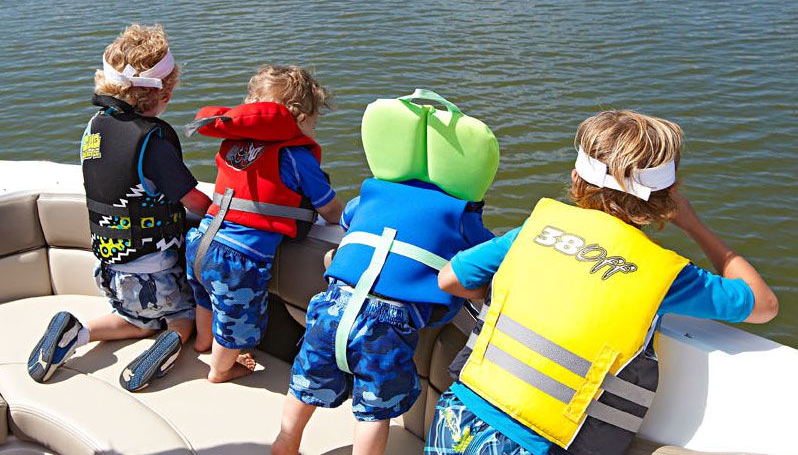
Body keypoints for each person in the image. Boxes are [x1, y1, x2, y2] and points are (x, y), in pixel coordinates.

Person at [428, 109, 779, 455]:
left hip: (458, 418)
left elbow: (450, 280)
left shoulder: (537, 229)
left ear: (576, 178)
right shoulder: (663, 273)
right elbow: (763, 305)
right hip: (543, 444)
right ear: (670, 193)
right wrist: (693, 225)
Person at [274, 89, 500, 455]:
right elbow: (484, 255)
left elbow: (348, 218)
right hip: (388, 323)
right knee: (373, 412)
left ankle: (286, 442)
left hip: (333, 303)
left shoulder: (373, 192)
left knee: (306, 383)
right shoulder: (461, 213)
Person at [28, 23, 212, 392]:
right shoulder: (152, 140)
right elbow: (195, 201)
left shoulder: (94, 126)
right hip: (152, 268)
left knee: (136, 319)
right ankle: (170, 341)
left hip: (109, 267)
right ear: (167, 89)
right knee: (181, 317)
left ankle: (78, 333)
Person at [185, 64, 344, 383]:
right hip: (237, 262)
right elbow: (330, 210)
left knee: (205, 297)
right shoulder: (298, 157)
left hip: (199, 241)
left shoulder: (234, 144)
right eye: (314, 120)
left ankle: (203, 342)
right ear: (300, 119)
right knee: (236, 325)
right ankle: (221, 368)